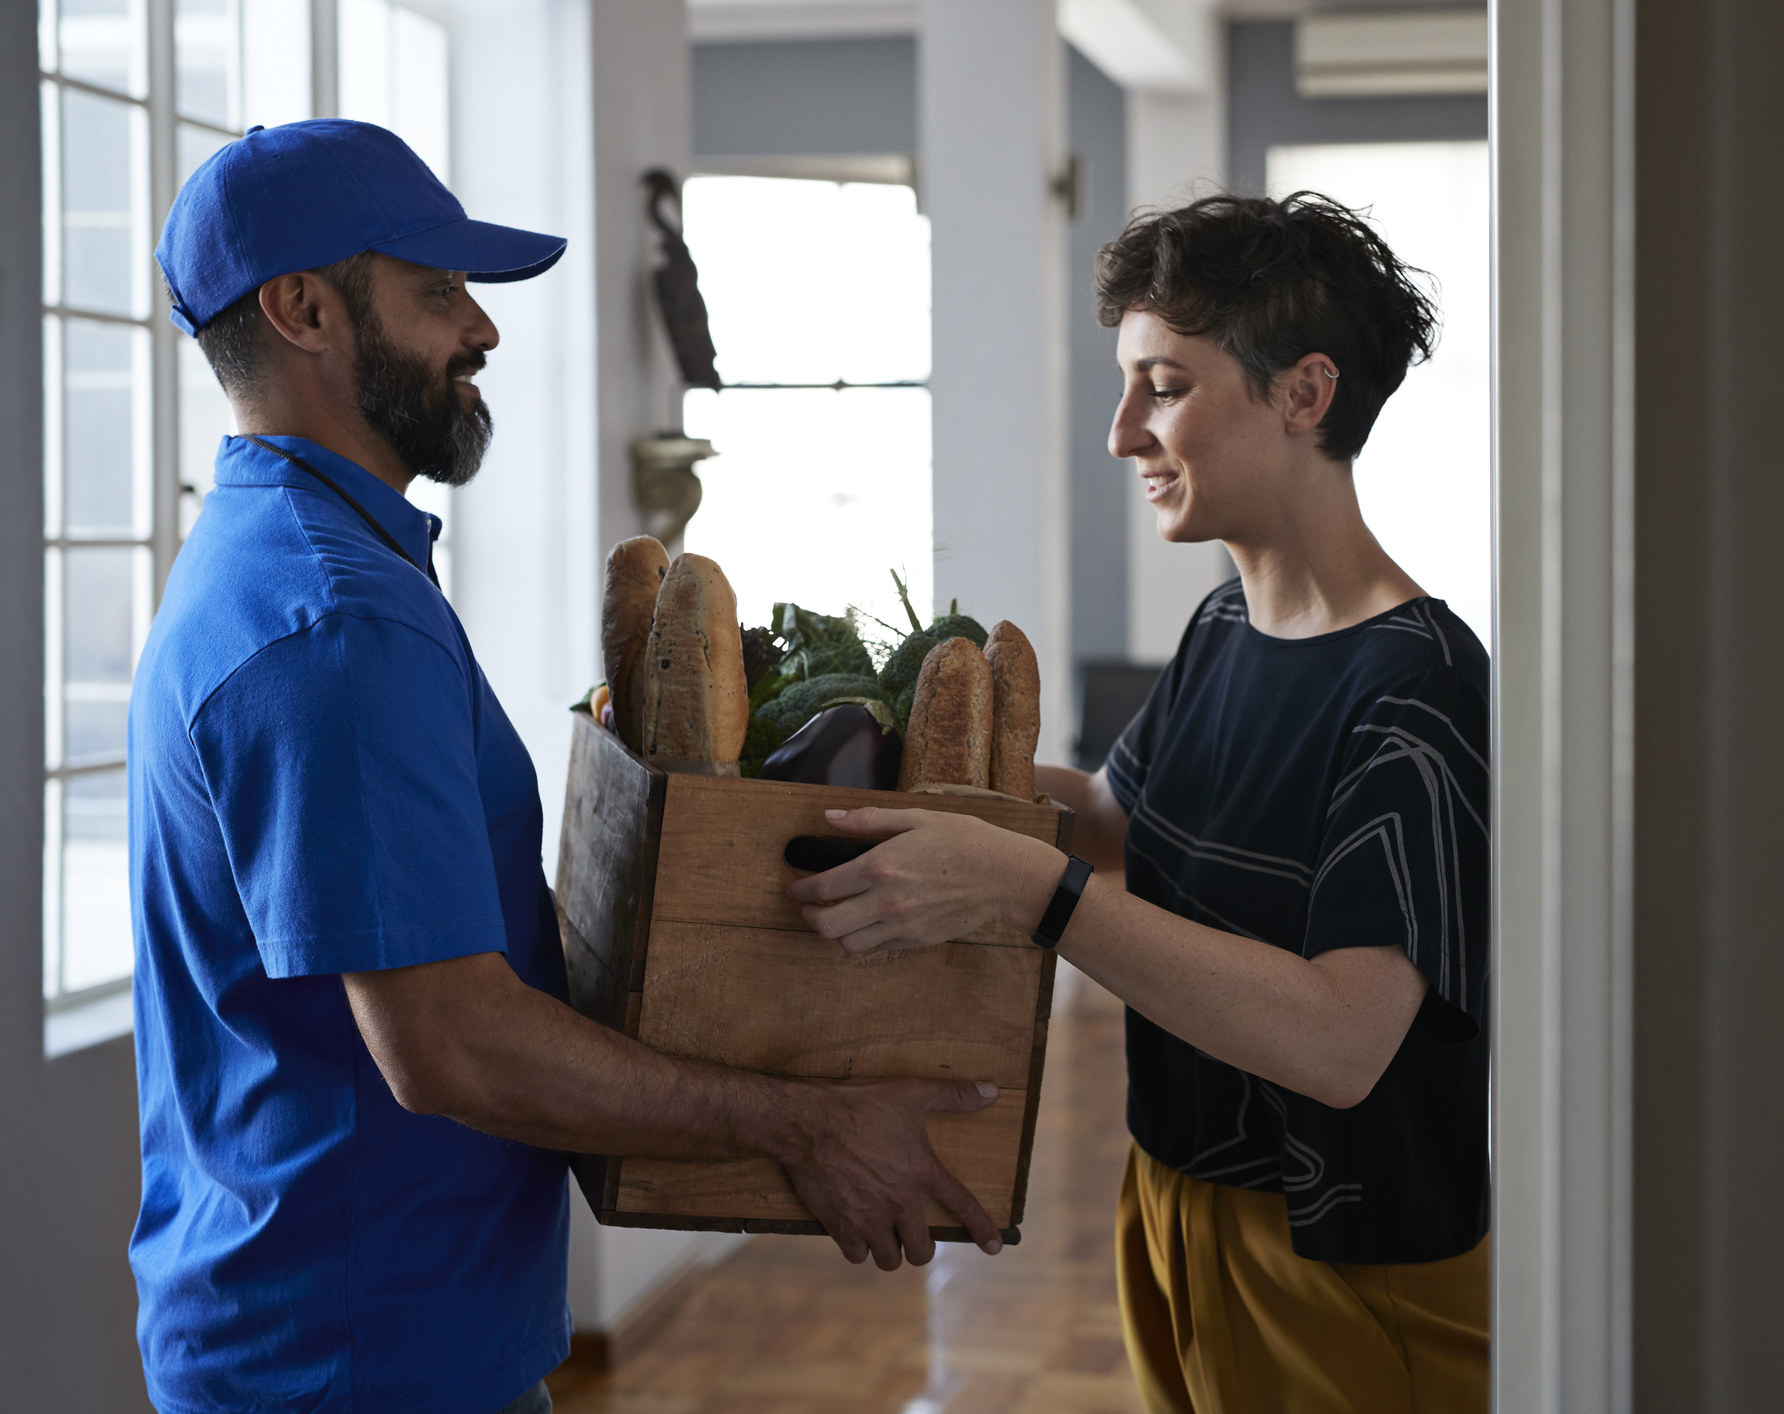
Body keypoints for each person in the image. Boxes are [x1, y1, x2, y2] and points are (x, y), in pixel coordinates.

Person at [131, 119, 1002, 1414]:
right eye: (435, 293)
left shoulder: (286, 563)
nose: (479, 330)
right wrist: (803, 1122)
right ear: (303, 309)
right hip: (361, 1355)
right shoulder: (334, 620)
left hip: (344, 1319)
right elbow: (450, 1044)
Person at [786, 192, 1490, 1413]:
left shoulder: (1421, 681)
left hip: (1343, 1266)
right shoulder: (1227, 620)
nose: (1122, 434)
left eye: (1162, 385)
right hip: (1172, 1203)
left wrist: (1028, 889)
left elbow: (1339, 1040)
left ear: (1303, 394)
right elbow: (1121, 818)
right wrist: (903, 764)